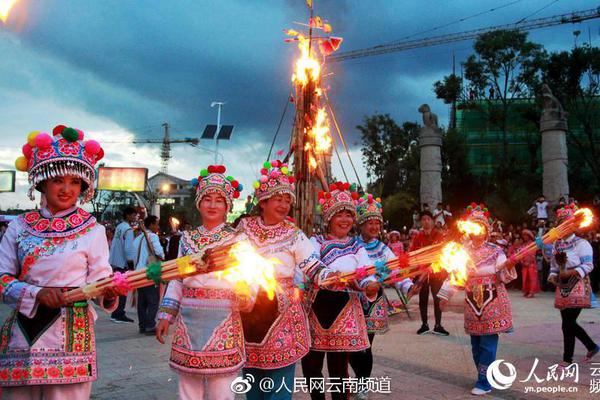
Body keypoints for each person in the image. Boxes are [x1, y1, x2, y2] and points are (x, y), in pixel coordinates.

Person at [0, 125, 118, 398]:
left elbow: (101, 278)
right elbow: (3, 278)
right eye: (58, 180)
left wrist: (109, 291)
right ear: (42, 181)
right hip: (22, 332)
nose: (66, 189)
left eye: (75, 182)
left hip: (71, 334)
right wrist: (36, 293)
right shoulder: (19, 226)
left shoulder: (93, 230)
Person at [236, 160, 340, 400]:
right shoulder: (244, 228)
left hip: (282, 312)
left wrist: (328, 276)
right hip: (248, 309)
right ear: (263, 201)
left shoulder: (294, 235)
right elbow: (229, 259)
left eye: (287, 200)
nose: (284, 205)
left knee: (280, 384)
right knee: (252, 379)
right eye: (278, 199)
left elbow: (313, 265)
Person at [155, 165, 247, 400]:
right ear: (199, 203)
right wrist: (166, 315)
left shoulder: (237, 239)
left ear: (228, 206)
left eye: (219, 200)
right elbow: (177, 279)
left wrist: (248, 295)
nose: (213, 205)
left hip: (224, 315)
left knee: (222, 390)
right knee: (188, 389)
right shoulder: (187, 239)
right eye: (207, 199)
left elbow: (249, 277)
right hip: (189, 317)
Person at [303, 182, 379, 400]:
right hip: (317, 307)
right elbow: (308, 268)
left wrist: (370, 285)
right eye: (339, 215)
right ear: (329, 218)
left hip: (345, 306)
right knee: (311, 365)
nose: (345, 220)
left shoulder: (357, 246)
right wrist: (328, 276)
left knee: (339, 368)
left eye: (348, 215)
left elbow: (367, 273)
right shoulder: (314, 242)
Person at [438, 203, 516, 396]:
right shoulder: (463, 252)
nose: (477, 231)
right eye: (474, 226)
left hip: (493, 300)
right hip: (472, 301)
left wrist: (506, 266)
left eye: (481, 227)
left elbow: (504, 276)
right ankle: (483, 375)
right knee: (475, 344)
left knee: (488, 343)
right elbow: (456, 275)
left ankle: (484, 381)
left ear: (487, 230)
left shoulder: (497, 251)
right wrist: (444, 295)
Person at [350, 194, 412, 400]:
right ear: (361, 224)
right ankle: (357, 378)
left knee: (366, 345)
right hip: (351, 301)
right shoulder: (351, 245)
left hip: (373, 302)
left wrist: (408, 286)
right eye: (370, 222)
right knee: (350, 346)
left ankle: (362, 384)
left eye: (377, 223)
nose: (375, 227)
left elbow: (396, 271)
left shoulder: (383, 249)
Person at [548, 204, 599, 366]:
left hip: (577, 284)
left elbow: (588, 265)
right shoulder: (557, 244)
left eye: (567, 223)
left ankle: (567, 358)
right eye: (561, 223)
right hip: (562, 287)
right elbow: (554, 266)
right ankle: (591, 347)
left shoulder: (581, 243)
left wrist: (570, 272)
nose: (563, 227)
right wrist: (553, 276)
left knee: (568, 322)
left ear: (573, 225)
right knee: (568, 322)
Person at [411, 210, 448, 336]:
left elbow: (442, 252)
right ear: (421, 222)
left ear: (432, 221)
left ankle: (438, 325)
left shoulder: (439, 235)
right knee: (423, 299)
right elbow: (413, 254)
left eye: (428, 219)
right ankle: (424, 324)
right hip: (421, 273)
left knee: (438, 298)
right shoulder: (418, 237)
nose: (426, 221)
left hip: (436, 272)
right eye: (423, 219)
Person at [133, 215, 164, 335]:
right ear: (151, 225)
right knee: (153, 300)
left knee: (142, 301)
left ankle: (142, 325)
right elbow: (159, 252)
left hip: (138, 273)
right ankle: (150, 325)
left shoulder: (138, 238)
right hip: (150, 272)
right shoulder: (152, 237)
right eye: (157, 224)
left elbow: (131, 254)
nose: (158, 226)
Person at [108, 206, 139, 323]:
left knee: (117, 288)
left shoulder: (120, 227)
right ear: (127, 215)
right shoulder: (128, 229)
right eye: (133, 215)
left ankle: (116, 312)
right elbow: (128, 249)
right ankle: (119, 313)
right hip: (123, 263)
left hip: (115, 261)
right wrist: (131, 263)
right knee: (122, 288)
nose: (135, 217)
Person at [520, 229, 540, 298]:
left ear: (529, 236)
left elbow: (533, 254)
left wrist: (529, 262)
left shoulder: (533, 243)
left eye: (525, 235)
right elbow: (520, 254)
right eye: (523, 236)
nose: (524, 237)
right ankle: (527, 291)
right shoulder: (523, 244)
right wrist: (522, 261)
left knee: (532, 278)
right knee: (525, 278)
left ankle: (532, 292)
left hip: (531, 264)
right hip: (524, 264)